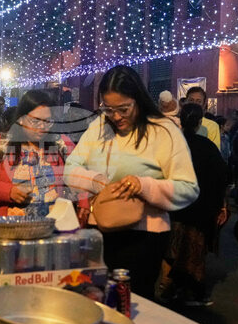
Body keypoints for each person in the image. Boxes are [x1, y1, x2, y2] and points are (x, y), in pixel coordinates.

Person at [64, 65, 199, 299]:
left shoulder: (163, 130)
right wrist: (98, 181)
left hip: (144, 236)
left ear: (138, 99)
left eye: (123, 109)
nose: (116, 116)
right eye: (108, 109)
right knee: (97, 298)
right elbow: (70, 169)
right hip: (101, 229)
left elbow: (188, 188)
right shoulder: (99, 127)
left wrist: (144, 186)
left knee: (132, 301)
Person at [162, 103, 229, 306]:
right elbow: (221, 177)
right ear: (200, 122)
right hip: (201, 209)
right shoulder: (207, 147)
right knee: (194, 252)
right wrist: (221, 205)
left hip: (174, 206)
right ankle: (192, 292)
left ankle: (170, 289)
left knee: (173, 250)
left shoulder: (171, 145)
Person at [0, 90, 72, 216]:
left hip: (53, 224)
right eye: (35, 121)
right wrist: (8, 191)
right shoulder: (0, 143)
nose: (42, 127)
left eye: (47, 121)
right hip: (8, 224)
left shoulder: (61, 143)